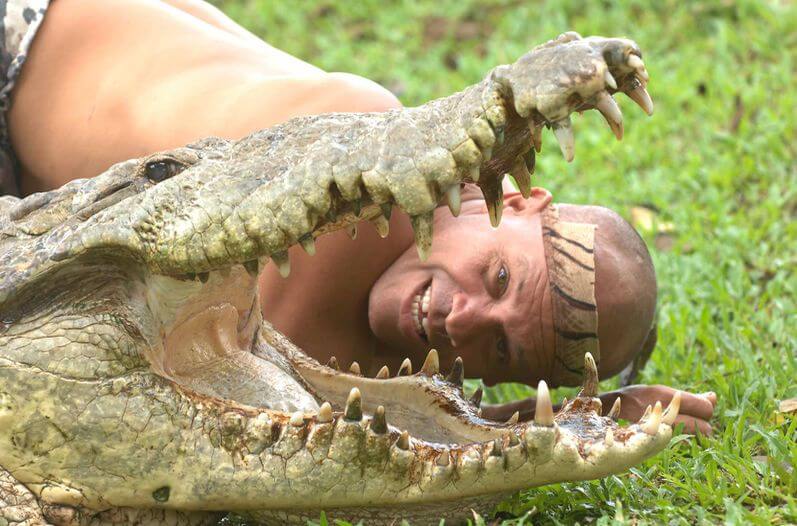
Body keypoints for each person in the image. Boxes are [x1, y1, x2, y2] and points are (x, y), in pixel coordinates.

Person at [2, 0, 716, 433]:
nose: (462, 319)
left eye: (500, 351)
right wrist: (528, 430)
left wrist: (564, 427)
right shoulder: (362, 148)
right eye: (496, 276)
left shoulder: (396, 370)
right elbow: (247, 391)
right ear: (518, 201)